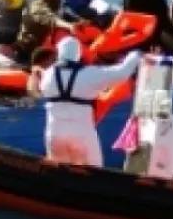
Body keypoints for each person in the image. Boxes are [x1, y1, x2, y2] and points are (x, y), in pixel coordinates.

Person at [39, 36, 142, 166]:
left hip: (54, 134)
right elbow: (122, 73)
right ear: (78, 53)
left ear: (59, 53)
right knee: (94, 171)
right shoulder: (89, 74)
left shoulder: (46, 76)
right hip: (81, 134)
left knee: (60, 173)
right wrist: (135, 55)